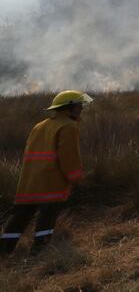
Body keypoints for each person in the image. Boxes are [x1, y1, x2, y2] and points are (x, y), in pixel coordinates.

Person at [1, 90, 92, 257]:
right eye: (79, 104)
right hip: (51, 182)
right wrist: (77, 178)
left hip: (29, 182)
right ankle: (38, 253)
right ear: (70, 107)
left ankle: (4, 250)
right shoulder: (69, 126)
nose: (82, 108)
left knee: (19, 218)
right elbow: (68, 156)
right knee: (47, 218)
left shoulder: (40, 125)